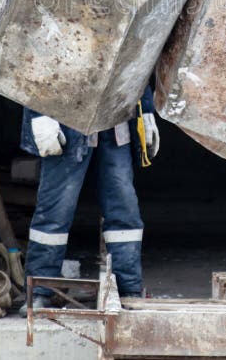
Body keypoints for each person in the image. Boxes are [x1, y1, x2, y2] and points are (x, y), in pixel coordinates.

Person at [19, 86, 160, 315]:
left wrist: (146, 110)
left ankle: (129, 290)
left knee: (124, 212)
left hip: (115, 120)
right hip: (68, 118)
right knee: (55, 213)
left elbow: (138, 59)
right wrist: (39, 113)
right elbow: (38, 62)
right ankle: (38, 292)